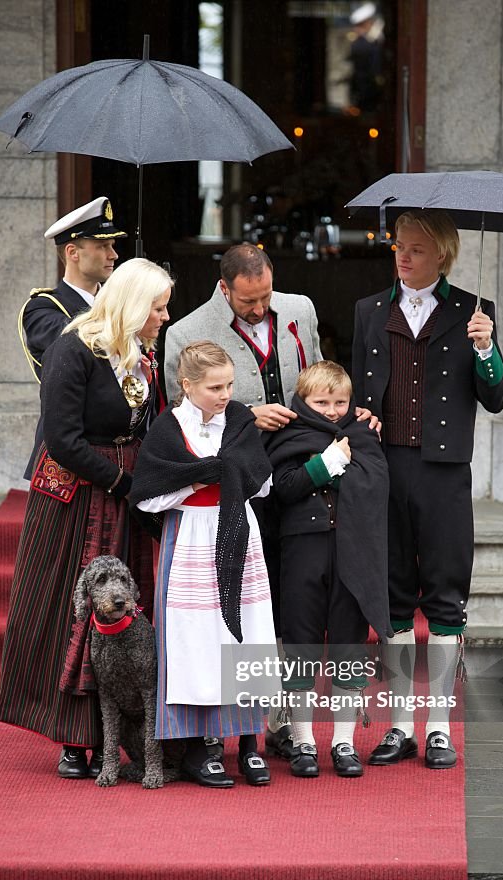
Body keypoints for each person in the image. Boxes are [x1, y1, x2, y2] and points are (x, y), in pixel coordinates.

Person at [0, 258, 171, 779]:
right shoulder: (72, 350)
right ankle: (74, 738)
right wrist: (122, 482)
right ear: (134, 306)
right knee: (67, 615)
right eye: (157, 307)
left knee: (125, 619)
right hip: (75, 500)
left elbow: (146, 425)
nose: (164, 317)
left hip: (126, 492)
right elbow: (63, 441)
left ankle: (118, 738)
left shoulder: (140, 353)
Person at [352, 210, 503, 769]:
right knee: (395, 595)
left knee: (445, 597)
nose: (404, 256)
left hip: (445, 472)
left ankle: (439, 728)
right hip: (385, 467)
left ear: (442, 254)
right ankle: (399, 726)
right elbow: (359, 395)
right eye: (400, 246)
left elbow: (496, 398)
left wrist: (486, 350)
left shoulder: (474, 312)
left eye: (416, 249)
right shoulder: (369, 311)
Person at [163, 243, 324, 761]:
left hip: (298, 477)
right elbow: (180, 418)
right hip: (237, 487)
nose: (259, 310)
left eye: (265, 297)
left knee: (292, 599)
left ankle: (287, 721)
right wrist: (247, 414)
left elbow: (316, 379)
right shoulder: (185, 333)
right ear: (224, 287)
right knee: (244, 605)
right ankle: (241, 718)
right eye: (248, 301)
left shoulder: (299, 310)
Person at [130, 342, 277, 789]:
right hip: (191, 535)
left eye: (230, 384)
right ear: (187, 385)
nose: (225, 394)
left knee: (246, 631)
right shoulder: (168, 430)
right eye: (215, 386)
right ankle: (198, 748)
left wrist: (233, 475)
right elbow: (148, 495)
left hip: (237, 531)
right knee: (195, 639)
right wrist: (196, 479)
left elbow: (264, 484)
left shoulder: (239, 422)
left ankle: (250, 744)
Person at [266, 361, 391, 778]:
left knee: (348, 645)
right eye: (322, 402)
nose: (334, 410)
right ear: (303, 401)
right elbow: (283, 488)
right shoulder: (287, 434)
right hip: (302, 550)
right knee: (300, 645)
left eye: (340, 402)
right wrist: (327, 463)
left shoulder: (362, 434)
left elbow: (376, 485)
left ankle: (343, 742)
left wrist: (336, 467)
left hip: (352, 554)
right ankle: (303, 741)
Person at [19, 196, 127, 477]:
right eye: (103, 246)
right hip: (68, 452)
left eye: (112, 246)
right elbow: (79, 342)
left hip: (117, 448)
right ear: (73, 252)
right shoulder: (43, 308)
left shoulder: (116, 304)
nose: (113, 254)